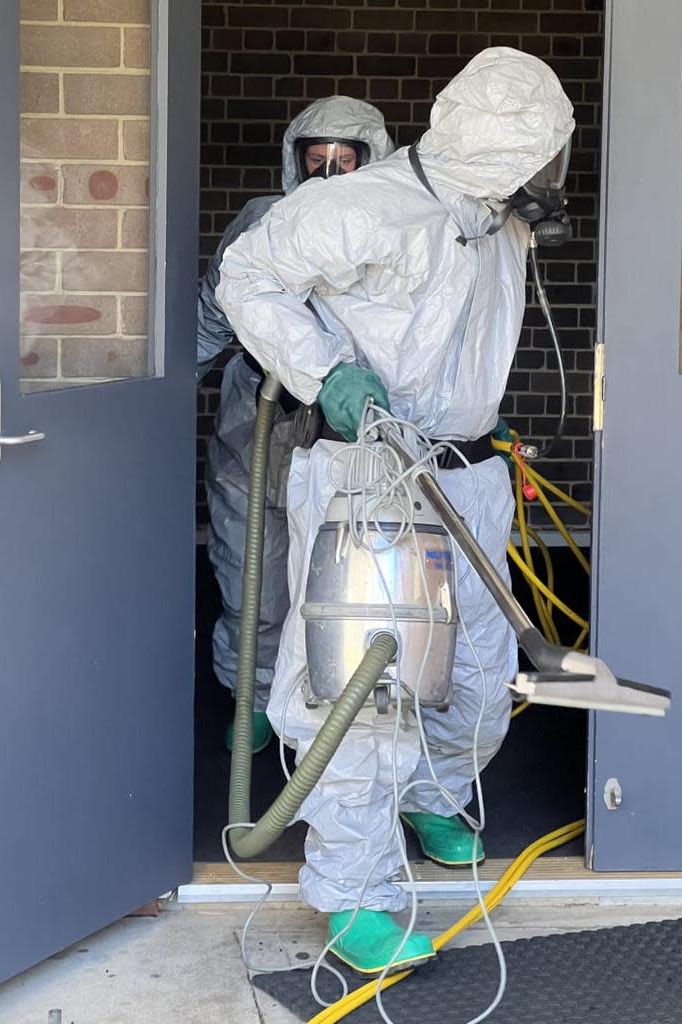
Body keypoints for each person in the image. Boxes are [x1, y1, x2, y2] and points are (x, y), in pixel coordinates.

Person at [216, 48, 575, 973]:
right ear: (506, 149)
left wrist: (481, 431)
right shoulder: (357, 205)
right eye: (543, 157)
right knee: (360, 692)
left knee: (483, 675)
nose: (551, 178)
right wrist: (325, 372)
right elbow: (247, 275)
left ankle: (433, 790)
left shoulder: (502, 222)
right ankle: (355, 892)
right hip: (368, 477)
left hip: (467, 475)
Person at [197, 97, 395, 753]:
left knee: (354, 580)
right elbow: (215, 309)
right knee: (252, 569)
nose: (332, 175)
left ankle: (348, 716)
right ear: (295, 163)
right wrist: (156, 391)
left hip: (350, 435)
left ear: (374, 161)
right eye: (318, 162)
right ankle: (251, 697)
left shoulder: (396, 227)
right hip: (260, 425)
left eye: (347, 161)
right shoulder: (265, 220)